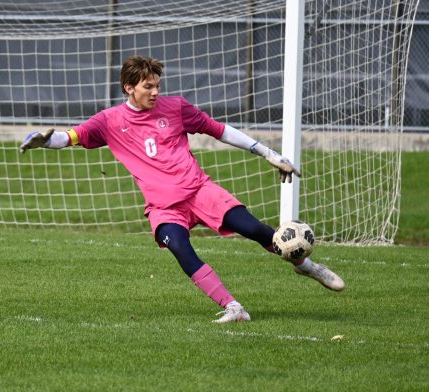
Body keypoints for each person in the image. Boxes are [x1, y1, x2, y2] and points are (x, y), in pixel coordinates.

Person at [20, 55, 345, 323]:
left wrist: (269, 153)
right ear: (129, 88)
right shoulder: (108, 121)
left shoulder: (176, 108)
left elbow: (219, 130)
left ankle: (305, 266)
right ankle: (234, 307)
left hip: (198, 190)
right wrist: (45, 140)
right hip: (164, 206)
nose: (155, 92)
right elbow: (69, 137)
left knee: (257, 230)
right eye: (148, 87)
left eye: (157, 86)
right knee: (178, 246)